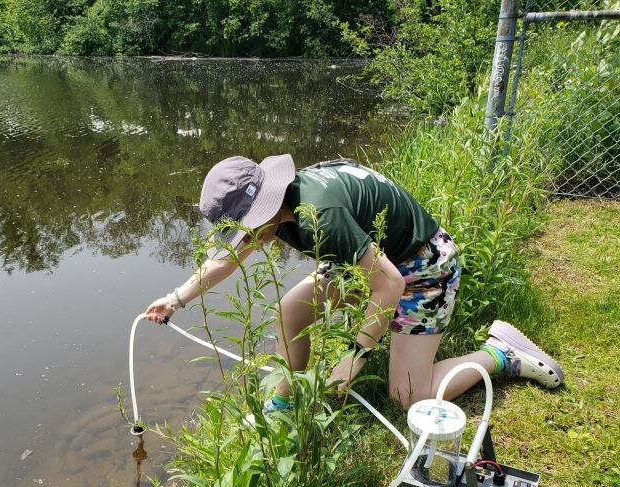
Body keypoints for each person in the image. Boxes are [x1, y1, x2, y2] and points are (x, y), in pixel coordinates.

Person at [143, 154, 564, 412]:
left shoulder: (318, 216)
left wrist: (355, 356)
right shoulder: (282, 206)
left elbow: (390, 285)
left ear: (268, 201)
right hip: (371, 257)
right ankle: (288, 400)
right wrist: (174, 299)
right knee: (291, 309)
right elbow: (226, 261)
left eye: (249, 224)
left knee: (409, 397)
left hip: (422, 269)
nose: (246, 236)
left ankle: (501, 354)